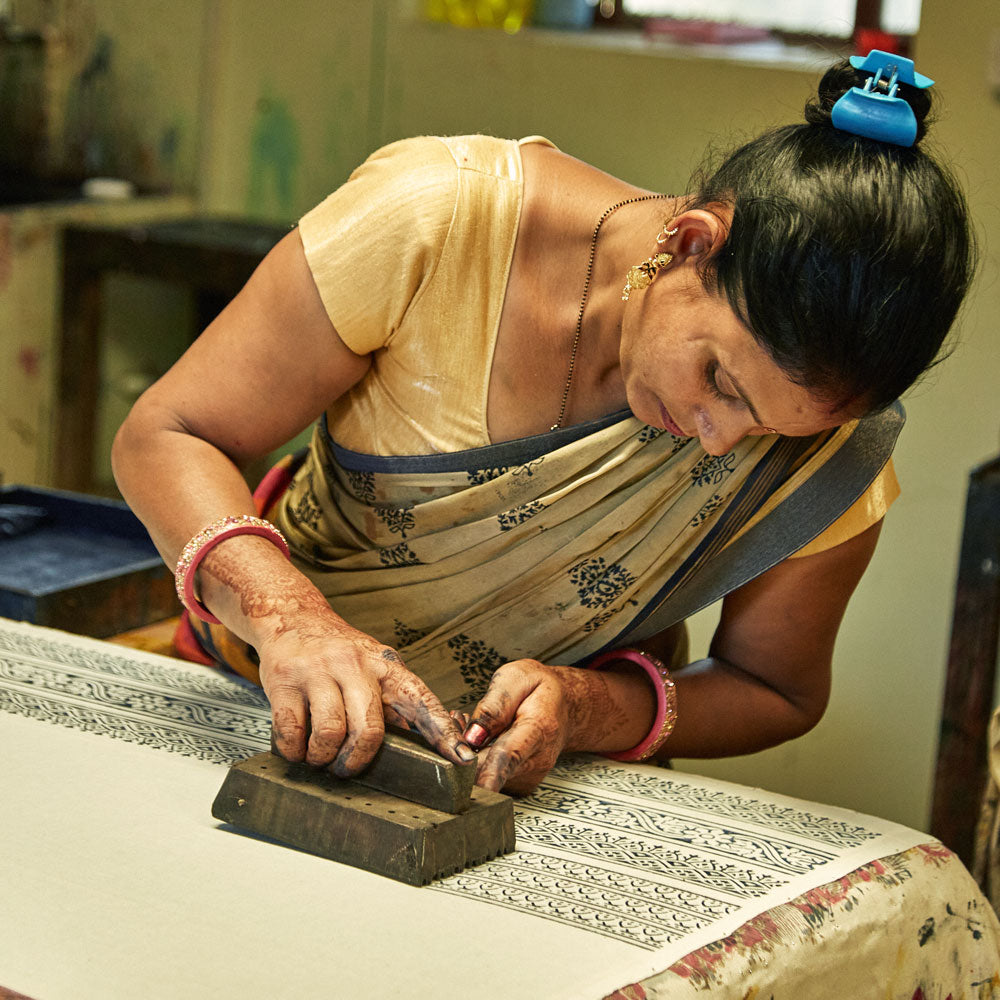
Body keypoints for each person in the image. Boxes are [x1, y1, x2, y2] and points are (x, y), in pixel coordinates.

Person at [112, 51, 974, 796]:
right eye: (721, 381)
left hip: (537, 793)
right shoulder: (438, 220)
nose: (715, 440)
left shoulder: (834, 453)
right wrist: (291, 620)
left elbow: (773, 687)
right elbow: (172, 431)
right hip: (261, 701)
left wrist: (592, 708)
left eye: (766, 434)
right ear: (687, 244)